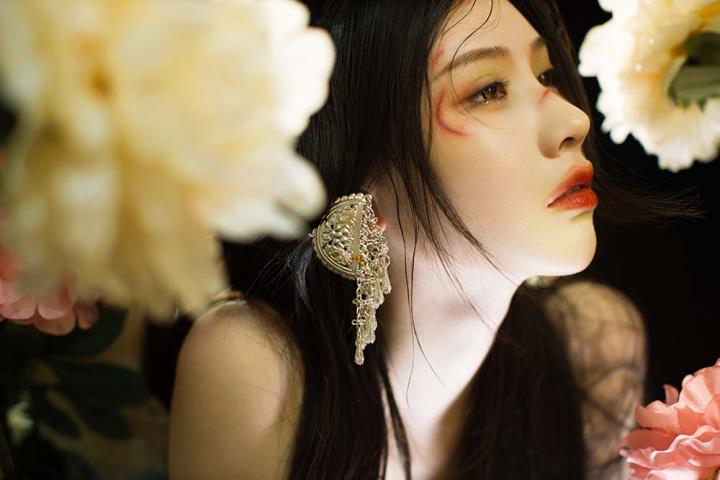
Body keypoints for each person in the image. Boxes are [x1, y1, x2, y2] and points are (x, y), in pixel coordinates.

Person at [168, 0, 706, 478]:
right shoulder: (253, 369)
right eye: (488, 90)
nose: (574, 119)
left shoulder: (592, 348)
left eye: (546, 74)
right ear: (360, 180)